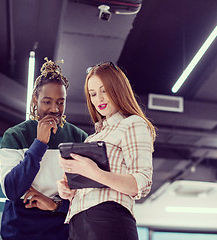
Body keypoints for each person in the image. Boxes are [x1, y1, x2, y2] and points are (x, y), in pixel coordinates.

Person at [57, 61, 156, 240]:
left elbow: (141, 183)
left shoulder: (132, 123)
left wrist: (93, 172)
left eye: (104, 90)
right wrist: (70, 190)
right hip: (78, 224)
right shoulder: (91, 138)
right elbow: (89, 184)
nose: (99, 99)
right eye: (93, 94)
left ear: (118, 89)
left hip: (108, 219)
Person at [0, 58, 88, 240]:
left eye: (60, 102)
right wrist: (39, 143)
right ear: (35, 99)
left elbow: (86, 196)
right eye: (47, 102)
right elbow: (12, 190)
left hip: (61, 232)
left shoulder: (79, 138)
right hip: (18, 232)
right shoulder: (15, 135)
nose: (54, 109)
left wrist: (55, 204)